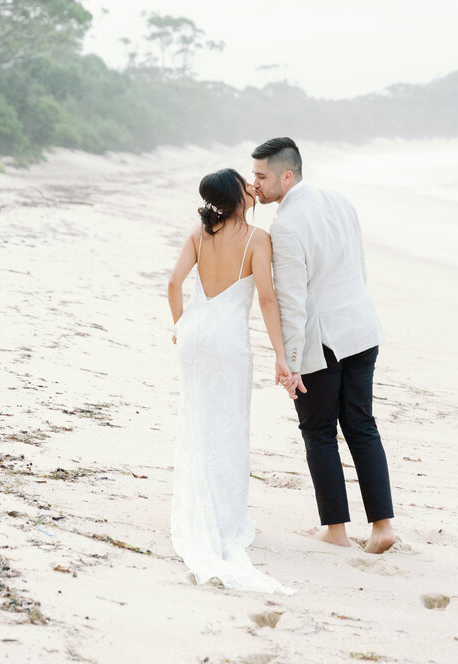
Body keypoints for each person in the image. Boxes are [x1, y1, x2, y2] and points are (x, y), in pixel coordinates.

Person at [251, 137, 395, 554]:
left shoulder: (287, 225)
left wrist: (290, 363)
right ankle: (383, 526)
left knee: (318, 432)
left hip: (324, 340)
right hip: (362, 328)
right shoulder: (340, 201)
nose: (255, 184)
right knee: (362, 426)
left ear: (287, 175)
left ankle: (335, 529)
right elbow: (359, 267)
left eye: (261, 176)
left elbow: (292, 301)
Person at [167, 167, 293, 592]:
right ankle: (224, 516)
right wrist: (281, 354)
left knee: (197, 416)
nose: (251, 187)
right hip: (227, 339)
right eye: (246, 182)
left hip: (196, 333)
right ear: (238, 195)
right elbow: (267, 298)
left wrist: (180, 325)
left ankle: (197, 502)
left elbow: (173, 283)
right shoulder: (258, 240)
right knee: (229, 422)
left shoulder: (200, 234)